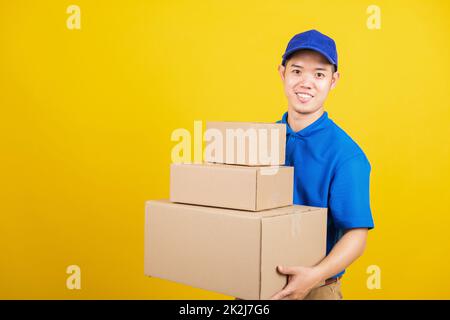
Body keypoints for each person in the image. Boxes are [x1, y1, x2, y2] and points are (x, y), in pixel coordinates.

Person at [270, 30, 375, 300]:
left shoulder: (346, 155)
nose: (306, 83)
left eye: (319, 74)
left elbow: (356, 236)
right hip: (258, 284)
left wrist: (313, 277)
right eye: (296, 71)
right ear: (282, 73)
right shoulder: (258, 142)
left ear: (333, 80)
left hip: (317, 288)